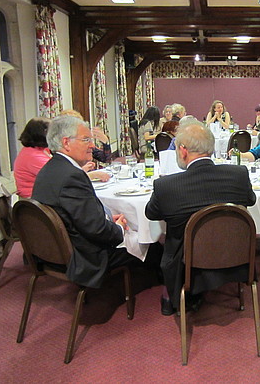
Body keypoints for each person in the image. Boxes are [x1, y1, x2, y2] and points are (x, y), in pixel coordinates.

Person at [32, 115, 161, 288]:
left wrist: (107, 219)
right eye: (86, 139)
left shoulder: (49, 169)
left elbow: (80, 217)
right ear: (66, 143)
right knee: (153, 243)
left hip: (55, 249)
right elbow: (97, 230)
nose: (92, 145)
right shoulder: (72, 176)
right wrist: (119, 229)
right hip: (85, 256)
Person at [145, 121, 256, 315]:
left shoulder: (167, 186)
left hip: (188, 263)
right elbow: (251, 200)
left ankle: (173, 295)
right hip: (234, 253)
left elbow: (151, 213)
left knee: (165, 239)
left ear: (182, 150)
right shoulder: (239, 174)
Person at [14, 117, 109, 198]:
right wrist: (88, 174)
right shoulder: (33, 156)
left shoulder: (39, 150)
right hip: (38, 202)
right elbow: (62, 179)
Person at [14, 117, 52, 198]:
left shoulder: (39, 150)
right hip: (35, 202)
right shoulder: (34, 156)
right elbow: (59, 178)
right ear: (43, 133)